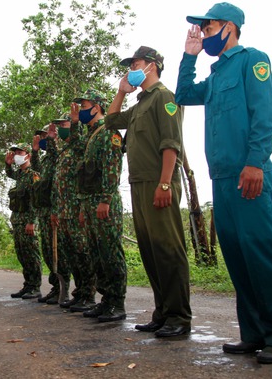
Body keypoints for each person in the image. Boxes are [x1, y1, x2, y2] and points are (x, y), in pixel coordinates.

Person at [175, 2, 272, 363]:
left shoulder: (253, 60)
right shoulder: (214, 76)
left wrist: (255, 162)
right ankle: (256, 334)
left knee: (264, 255)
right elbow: (183, 95)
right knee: (239, 258)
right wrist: (189, 57)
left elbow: (265, 114)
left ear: (230, 27)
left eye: (209, 28)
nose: (205, 34)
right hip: (222, 179)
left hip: (250, 173)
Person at [105, 46, 192, 338]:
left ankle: (179, 317)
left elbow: (171, 144)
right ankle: (162, 313)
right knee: (151, 251)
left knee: (168, 250)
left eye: (136, 63)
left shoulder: (165, 98)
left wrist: (165, 183)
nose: (131, 67)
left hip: (159, 183)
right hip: (139, 184)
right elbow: (110, 121)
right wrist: (121, 91)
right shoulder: (141, 103)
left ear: (152, 65)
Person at [69, 90, 127, 322]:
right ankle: (106, 300)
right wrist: (84, 208)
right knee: (96, 254)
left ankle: (118, 303)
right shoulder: (92, 135)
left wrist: (105, 200)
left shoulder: (109, 132)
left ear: (97, 107)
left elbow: (113, 168)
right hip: (90, 204)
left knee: (110, 253)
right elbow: (77, 155)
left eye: (84, 106)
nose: (81, 110)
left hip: (105, 204)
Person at [49, 113, 92, 310]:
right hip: (64, 211)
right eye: (58, 126)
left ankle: (89, 295)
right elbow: (58, 185)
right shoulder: (63, 151)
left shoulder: (78, 146)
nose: (60, 129)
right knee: (72, 254)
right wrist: (56, 210)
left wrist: (75, 123)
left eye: (63, 124)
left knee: (83, 252)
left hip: (77, 210)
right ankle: (79, 292)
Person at [31, 125, 71, 304]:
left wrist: (52, 139)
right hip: (43, 211)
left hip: (54, 209)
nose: (43, 139)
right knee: (48, 251)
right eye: (41, 137)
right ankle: (55, 287)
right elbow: (36, 168)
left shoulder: (57, 154)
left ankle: (64, 288)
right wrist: (34, 152)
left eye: (44, 136)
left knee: (58, 252)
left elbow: (57, 186)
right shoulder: (46, 160)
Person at [5, 143, 43, 299]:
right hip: (18, 220)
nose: (16, 155)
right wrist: (7, 165)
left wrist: (32, 221)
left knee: (31, 254)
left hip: (28, 220)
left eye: (19, 152)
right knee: (22, 253)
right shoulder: (20, 175)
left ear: (28, 155)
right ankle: (28, 285)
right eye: (15, 153)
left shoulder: (33, 174)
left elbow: (35, 199)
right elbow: (10, 174)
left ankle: (35, 287)